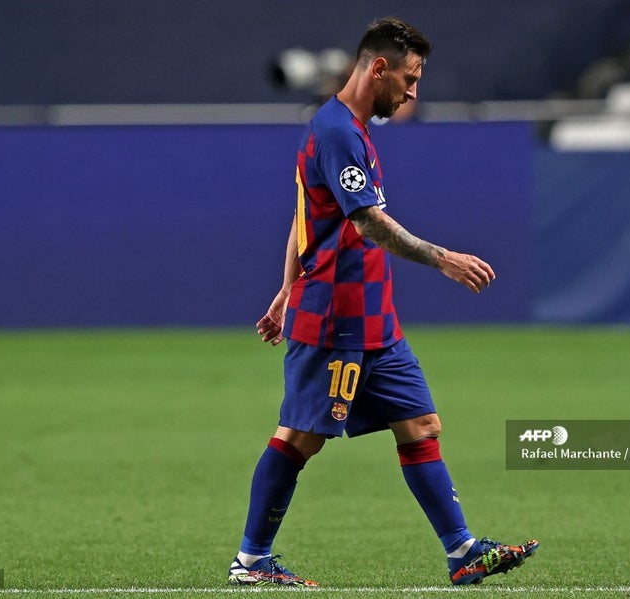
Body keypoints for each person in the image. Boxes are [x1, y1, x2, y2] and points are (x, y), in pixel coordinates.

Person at [227, 16, 538, 587]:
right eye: (410, 78)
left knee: (420, 424)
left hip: (375, 319)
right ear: (378, 68)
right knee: (300, 438)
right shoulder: (338, 132)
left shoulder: (350, 128)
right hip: (337, 317)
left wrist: (284, 289)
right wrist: (443, 259)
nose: (414, 92)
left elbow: (306, 217)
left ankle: (462, 551)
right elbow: (367, 222)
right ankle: (251, 561)